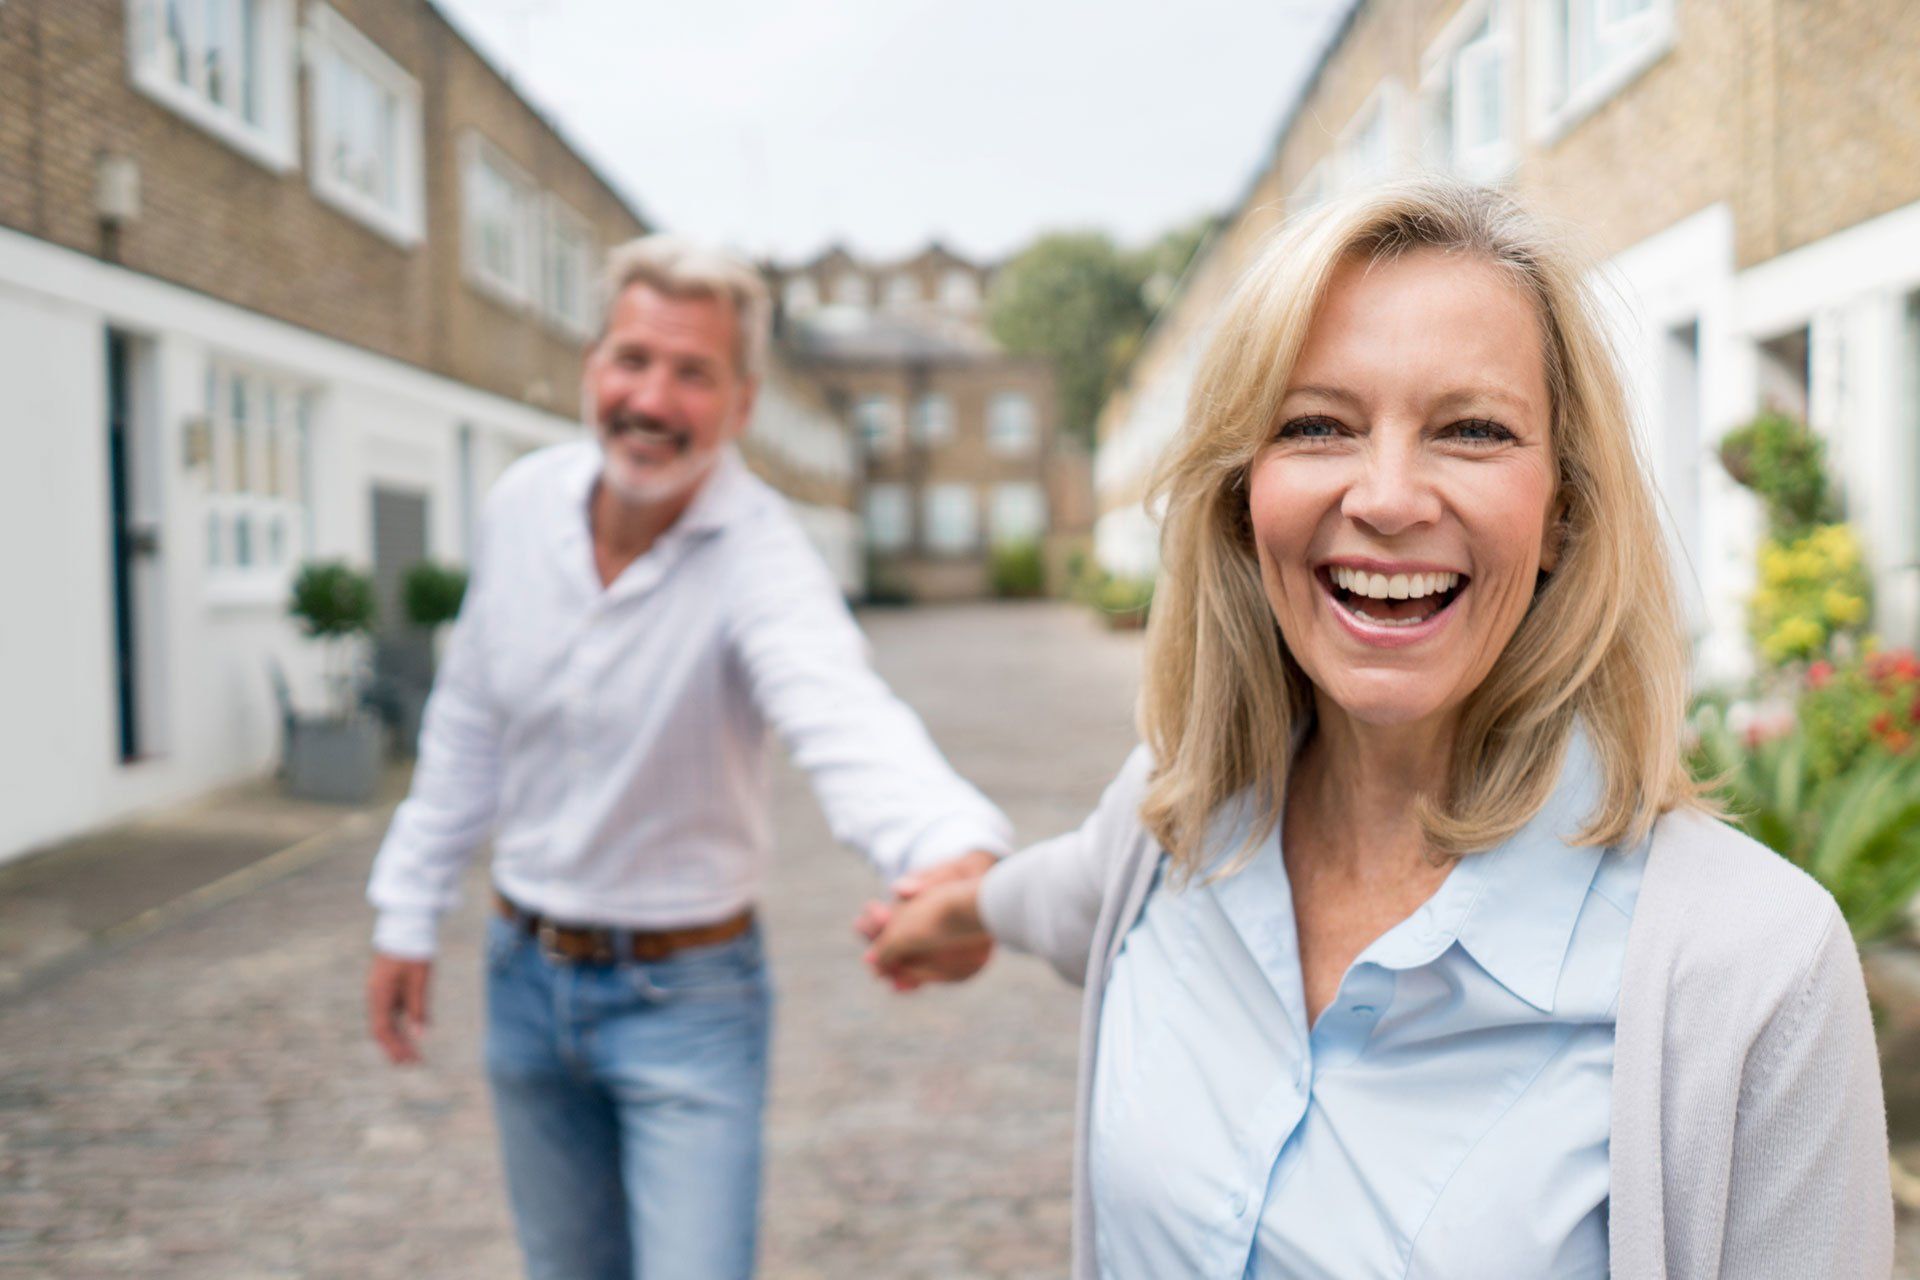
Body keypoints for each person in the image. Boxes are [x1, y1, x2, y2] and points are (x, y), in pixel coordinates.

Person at [864, 178, 1894, 1278]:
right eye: (1317, 424)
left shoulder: (1754, 967)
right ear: (1240, 495)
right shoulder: (1175, 824)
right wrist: (957, 910)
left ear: (1563, 513)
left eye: (1472, 430)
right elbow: (1065, 890)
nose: (1390, 496)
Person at [364, 234, 1009, 1280]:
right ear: (592, 365)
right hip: (522, 975)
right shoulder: (522, 505)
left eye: (692, 372)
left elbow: (843, 713)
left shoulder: (761, 553)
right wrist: (406, 903)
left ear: (743, 403)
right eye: (633, 358)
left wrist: (956, 854)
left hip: (688, 1001)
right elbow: (468, 721)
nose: (652, 398)